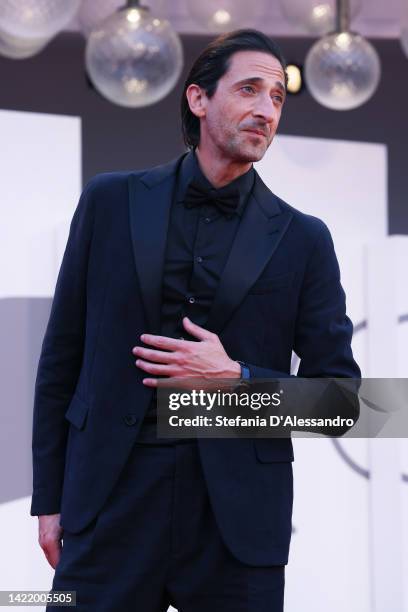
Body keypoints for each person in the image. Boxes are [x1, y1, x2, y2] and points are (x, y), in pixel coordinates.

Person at [31, 29, 361, 611]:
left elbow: (341, 403)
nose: (266, 109)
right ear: (199, 99)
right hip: (109, 507)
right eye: (250, 90)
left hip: (236, 523)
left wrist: (238, 380)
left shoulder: (305, 239)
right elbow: (61, 357)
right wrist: (50, 500)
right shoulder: (109, 202)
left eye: (278, 97)